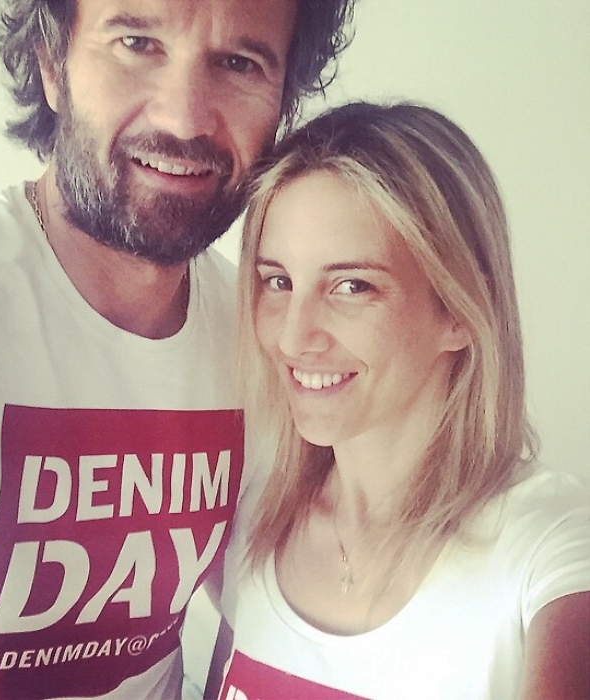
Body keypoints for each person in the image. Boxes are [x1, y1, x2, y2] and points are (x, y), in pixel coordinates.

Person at [0, 1, 357, 698]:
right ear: (52, 65)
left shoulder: (267, 336)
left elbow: (284, 617)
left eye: (238, 63)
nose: (184, 118)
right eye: (137, 43)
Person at [218, 102, 590, 700]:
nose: (292, 336)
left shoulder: (548, 542)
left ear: (459, 311)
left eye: (351, 286)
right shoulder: (252, 519)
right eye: (278, 281)